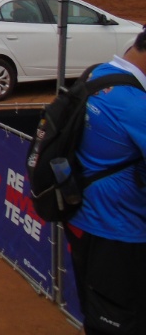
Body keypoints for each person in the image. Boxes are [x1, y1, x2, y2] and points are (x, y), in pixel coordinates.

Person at [64, 31, 146, 334]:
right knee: (123, 320)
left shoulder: (97, 74)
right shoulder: (136, 106)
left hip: (84, 218)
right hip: (121, 233)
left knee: (97, 311)